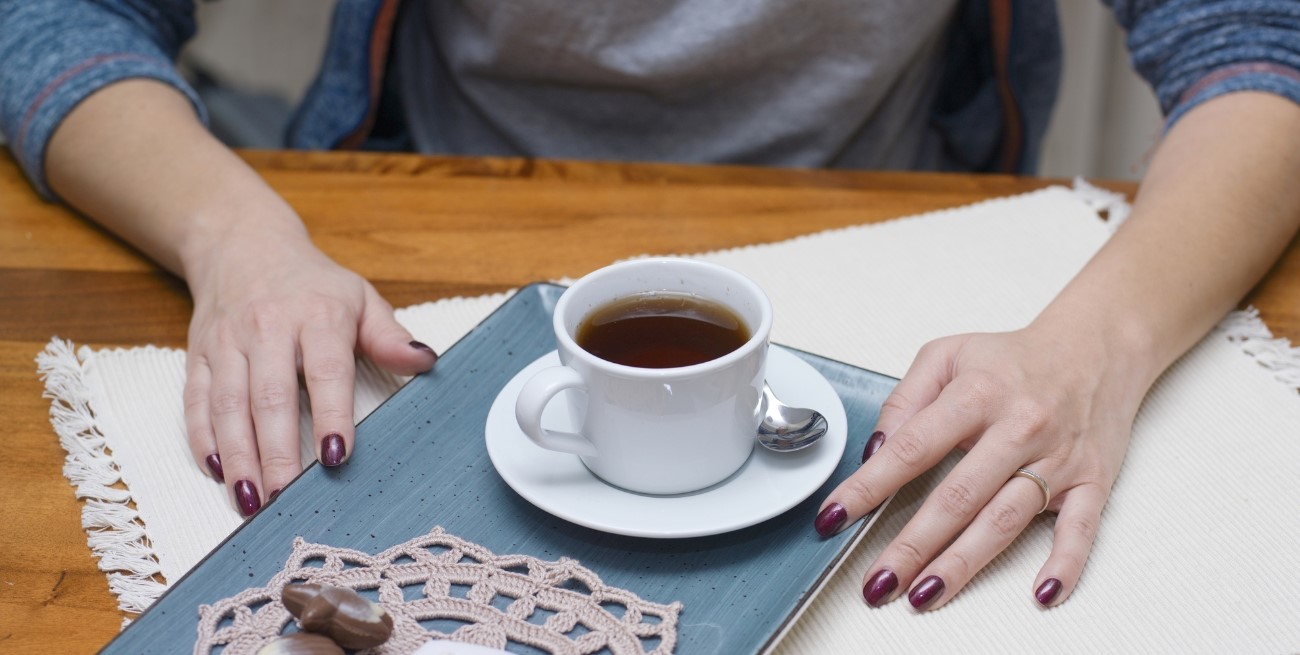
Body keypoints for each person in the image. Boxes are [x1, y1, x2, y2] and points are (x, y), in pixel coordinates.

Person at [3, 0, 1298, 614]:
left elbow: (1260, 45)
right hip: (417, 258)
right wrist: (234, 237)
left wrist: (1099, 349)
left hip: (915, 273)